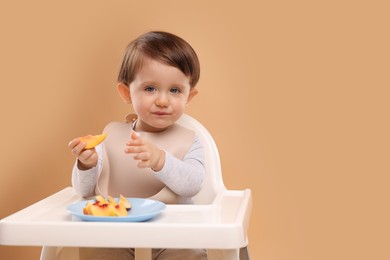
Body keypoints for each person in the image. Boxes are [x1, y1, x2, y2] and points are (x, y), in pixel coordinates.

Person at [68, 31, 207, 259]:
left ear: (188, 97)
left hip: (174, 237)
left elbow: (193, 184)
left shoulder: (190, 140)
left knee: (192, 256)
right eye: (150, 88)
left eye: (175, 90)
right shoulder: (111, 136)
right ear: (126, 92)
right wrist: (86, 165)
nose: (162, 100)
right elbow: (83, 192)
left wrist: (161, 160)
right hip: (116, 237)